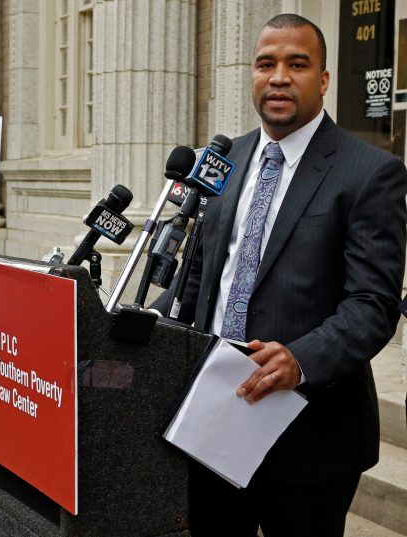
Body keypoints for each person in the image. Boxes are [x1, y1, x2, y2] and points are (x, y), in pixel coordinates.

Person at [153, 13, 407, 536]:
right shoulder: (222, 161)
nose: (279, 77)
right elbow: (199, 280)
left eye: (297, 64)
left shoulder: (369, 173)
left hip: (311, 433)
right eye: (266, 64)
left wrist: (300, 360)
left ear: (324, 79)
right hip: (213, 419)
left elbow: (373, 304)